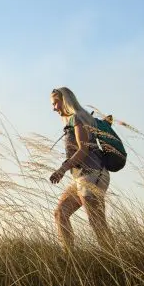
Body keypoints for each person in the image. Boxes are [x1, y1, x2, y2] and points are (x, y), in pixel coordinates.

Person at [49, 87, 114, 252]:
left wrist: (62, 169)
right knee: (60, 213)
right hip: (81, 176)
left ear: (65, 101)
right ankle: (69, 258)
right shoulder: (73, 120)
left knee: (97, 222)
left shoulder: (78, 118)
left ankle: (115, 260)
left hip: (92, 175)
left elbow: (83, 150)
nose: (54, 108)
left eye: (56, 103)